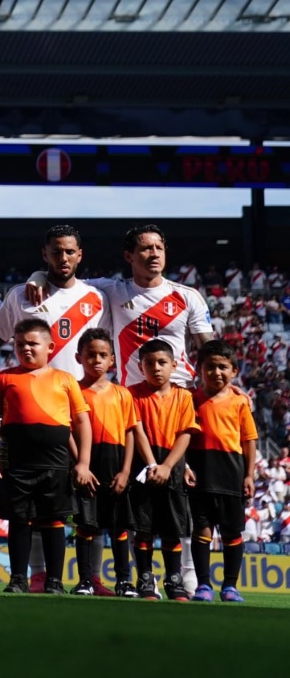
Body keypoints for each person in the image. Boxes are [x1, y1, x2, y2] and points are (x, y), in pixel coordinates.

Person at [28, 224, 213, 593]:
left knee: (183, 492)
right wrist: (36, 275)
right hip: (130, 404)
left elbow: (208, 347)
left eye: (159, 246)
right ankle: (142, 576)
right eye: (145, 248)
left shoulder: (187, 296)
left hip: (177, 403)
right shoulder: (112, 290)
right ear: (129, 256)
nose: (154, 254)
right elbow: (67, 278)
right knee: (136, 500)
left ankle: (189, 576)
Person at [0, 225, 107, 592]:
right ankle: (36, 575)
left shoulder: (99, 296)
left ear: (80, 254)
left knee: (88, 500)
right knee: (31, 508)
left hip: (83, 405)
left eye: (70, 251)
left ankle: (92, 576)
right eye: (56, 252)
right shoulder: (21, 296)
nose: (63, 258)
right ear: (45, 254)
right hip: (32, 415)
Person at [0, 318, 91, 595]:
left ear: (49, 347)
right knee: (19, 521)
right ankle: (18, 579)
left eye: (32, 343)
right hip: (17, 463)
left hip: (55, 464)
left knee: (54, 522)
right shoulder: (5, 378)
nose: (26, 349)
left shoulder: (65, 379)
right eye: (19, 344)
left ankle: (54, 581)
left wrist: (83, 463)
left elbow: (81, 423)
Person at [69, 328, 153, 598]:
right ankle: (85, 581)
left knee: (120, 527)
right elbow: (68, 431)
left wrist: (126, 471)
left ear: (112, 360)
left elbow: (130, 433)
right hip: (87, 464)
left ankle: (124, 581)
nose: (96, 359)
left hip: (116, 463)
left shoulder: (122, 394)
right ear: (78, 357)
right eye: (90, 354)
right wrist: (79, 464)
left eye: (102, 355)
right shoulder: (73, 391)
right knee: (86, 525)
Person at [127, 339, 200, 600]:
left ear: (174, 365)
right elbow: (137, 430)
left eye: (162, 362)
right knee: (143, 526)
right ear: (140, 366)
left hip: (173, 466)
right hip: (144, 465)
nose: (156, 368)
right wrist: (151, 464)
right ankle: (145, 579)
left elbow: (186, 433)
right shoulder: (132, 394)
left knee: (172, 528)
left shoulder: (183, 396)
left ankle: (174, 579)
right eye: (149, 363)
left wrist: (169, 466)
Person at [188, 340, 258, 603]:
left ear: (234, 371)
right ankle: (203, 585)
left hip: (231, 472)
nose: (216, 372)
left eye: (223, 367)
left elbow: (249, 440)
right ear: (199, 369)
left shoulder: (240, 403)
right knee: (202, 530)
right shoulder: (190, 399)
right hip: (200, 471)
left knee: (231, 532)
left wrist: (249, 475)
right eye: (210, 367)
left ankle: (230, 586)